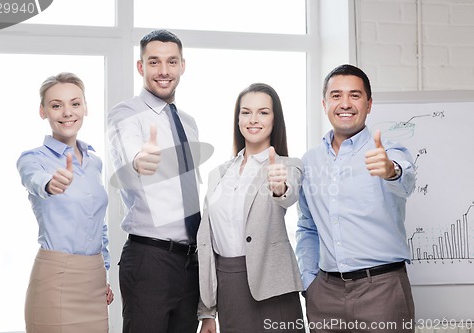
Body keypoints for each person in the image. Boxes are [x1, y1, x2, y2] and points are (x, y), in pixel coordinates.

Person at [295, 64, 416, 332]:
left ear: (369, 104)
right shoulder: (310, 161)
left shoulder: (388, 151)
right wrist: (309, 281)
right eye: (336, 95)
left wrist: (390, 170)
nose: (345, 103)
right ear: (324, 103)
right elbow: (307, 226)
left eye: (355, 95)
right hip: (324, 294)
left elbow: (405, 180)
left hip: (382, 291)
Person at [107, 29, 201, 333]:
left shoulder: (188, 122)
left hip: (190, 262)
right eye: (154, 62)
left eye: (172, 62)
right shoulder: (126, 114)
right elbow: (131, 149)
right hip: (150, 259)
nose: (164, 71)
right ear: (141, 67)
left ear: (182, 66)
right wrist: (140, 158)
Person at [198, 83, 305, 333]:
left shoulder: (288, 165)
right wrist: (207, 310)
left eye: (263, 112)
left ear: (275, 119)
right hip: (228, 285)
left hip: (273, 286)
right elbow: (206, 242)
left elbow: (287, 194)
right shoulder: (219, 174)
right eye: (246, 112)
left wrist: (279, 187)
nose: (253, 119)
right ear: (238, 119)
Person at [17, 72, 114, 333]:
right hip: (55, 279)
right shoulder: (32, 159)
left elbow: (97, 223)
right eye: (56, 105)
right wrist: (51, 184)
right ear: (43, 111)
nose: (67, 112)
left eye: (75, 103)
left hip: (94, 280)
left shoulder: (94, 161)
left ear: (85, 107)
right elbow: (34, 180)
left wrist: (103, 271)